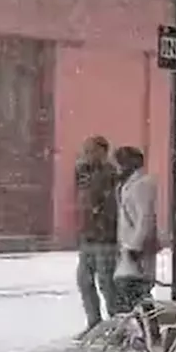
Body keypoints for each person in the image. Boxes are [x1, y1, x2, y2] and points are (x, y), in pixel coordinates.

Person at [75, 135, 119, 336]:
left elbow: (109, 204)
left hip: (105, 237)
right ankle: (94, 321)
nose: (87, 155)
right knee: (84, 280)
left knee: (106, 283)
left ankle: (116, 324)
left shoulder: (110, 174)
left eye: (91, 150)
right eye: (86, 151)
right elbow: (83, 199)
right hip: (88, 235)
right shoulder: (84, 173)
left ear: (103, 151)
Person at [112, 146, 158, 312]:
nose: (117, 168)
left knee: (135, 290)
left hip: (136, 249)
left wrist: (135, 246)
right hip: (128, 246)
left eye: (119, 163)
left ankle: (147, 333)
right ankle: (142, 332)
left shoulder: (141, 185)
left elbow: (144, 217)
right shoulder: (126, 185)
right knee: (131, 292)